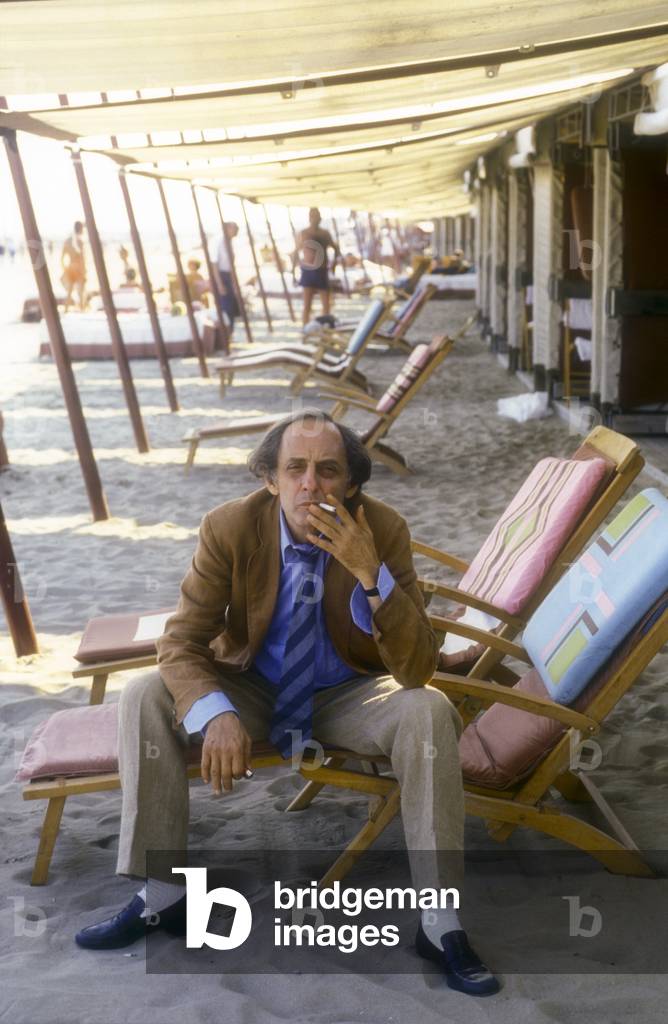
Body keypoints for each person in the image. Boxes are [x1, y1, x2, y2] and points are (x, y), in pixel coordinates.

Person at [73, 410, 499, 997]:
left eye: (328, 471)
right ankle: (163, 894)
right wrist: (216, 710)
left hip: (349, 691)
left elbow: (417, 667)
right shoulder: (230, 527)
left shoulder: (385, 528)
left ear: (350, 483)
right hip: (255, 685)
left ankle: (440, 921)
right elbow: (180, 642)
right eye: (294, 469)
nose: (311, 485)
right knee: (145, 691)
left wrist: (369, 572)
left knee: (427, 709)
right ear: (270, 479)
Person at [293, 208, 340, 326]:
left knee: (326, 304)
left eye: (317, 216)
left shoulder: (325, 233)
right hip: (308, 271)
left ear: (320, 218)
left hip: (321, 271)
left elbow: (336, 249)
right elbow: (296, 252)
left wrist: (334, 264)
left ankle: (326, 327)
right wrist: (293, 271)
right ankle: (305, 329)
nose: (316, 219)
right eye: (313, 216)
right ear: (309, 218)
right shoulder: (303, 233)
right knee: (307, 305)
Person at [213, 222, 240, 337]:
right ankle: (226, 333)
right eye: (234, 228)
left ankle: (230, 332)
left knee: (233, 306)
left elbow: (231, 264)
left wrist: (234, 281)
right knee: (225, 307)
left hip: (228, 275)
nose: (237, 230)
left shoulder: (230, 242)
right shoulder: (218, 241)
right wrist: (219, 284)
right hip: (221, 276)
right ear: (227, 228)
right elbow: (214, 264)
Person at [60, 221, 87, 311]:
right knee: (81, 292)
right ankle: (82, 311)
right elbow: (82, 257)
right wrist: (84, 270)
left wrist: (65, 268)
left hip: (70, 267)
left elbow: (62, 258)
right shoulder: (80, 241)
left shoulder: (67, 240)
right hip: (78, 268)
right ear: (80, 229)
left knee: (70, 291)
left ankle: (66, 310)